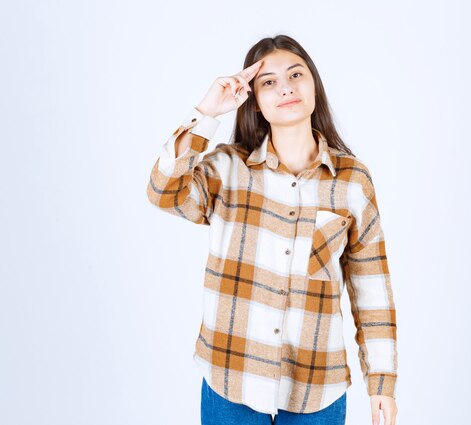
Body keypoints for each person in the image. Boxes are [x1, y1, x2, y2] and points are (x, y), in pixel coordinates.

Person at [146, 34, 398, 425]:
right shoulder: (227, 169)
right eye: (268, 82)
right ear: (255, 101)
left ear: (314, 85)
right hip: (231, 380)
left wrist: (382, 383)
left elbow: (371, 287)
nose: (285, 87)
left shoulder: (352, 181)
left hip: (317, 389)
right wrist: (208, 111)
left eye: (296, 74)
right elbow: (163, 192)